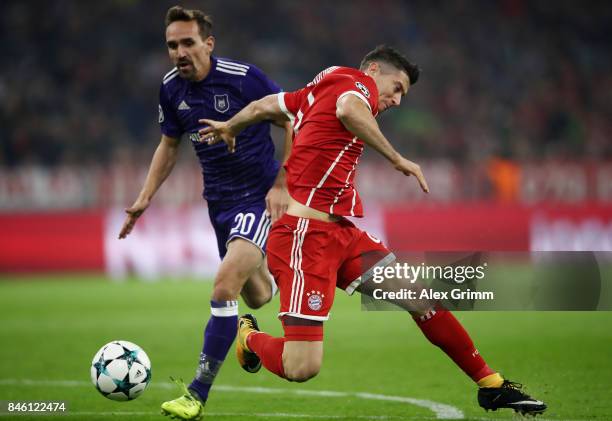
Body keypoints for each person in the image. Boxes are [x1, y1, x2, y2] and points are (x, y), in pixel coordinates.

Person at [200, 45, 547, 416]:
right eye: (397, 88)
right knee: (302, 367)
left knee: (421, 299)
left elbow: (269, 105)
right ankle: (250, 338)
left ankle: (491, 385)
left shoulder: (322, 85)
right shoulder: (357, 84)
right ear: (375, 69)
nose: (397, 100)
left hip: (342, 235)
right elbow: (349, 110)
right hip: (304, 238)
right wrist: (397, 158)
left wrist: (232, 125)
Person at [117, 6, 292, 420]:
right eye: (172, 45)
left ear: (208, 43)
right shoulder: (170, 88)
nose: (179, 52)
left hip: (258, 197)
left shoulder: (242, 78)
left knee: (222, 287)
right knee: (258, 293)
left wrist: (283, 183)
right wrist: (144, 197)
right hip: (219, 204)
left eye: (188, 42)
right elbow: (170, 144)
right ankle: (246, 332)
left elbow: (292, 116)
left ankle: (196, 394)